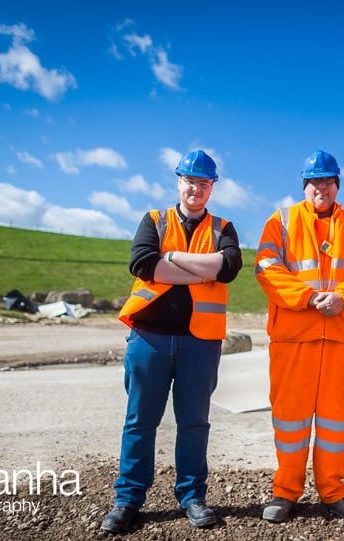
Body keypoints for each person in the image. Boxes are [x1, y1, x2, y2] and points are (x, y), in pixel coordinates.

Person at [101, 150, 243, 533]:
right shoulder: (153, 220)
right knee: (139, 422)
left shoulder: (224, 227)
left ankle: (192, 497)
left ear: (212, 187)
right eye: (190, 180)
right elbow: (145, 263)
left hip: (200, 342)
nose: (196, 188)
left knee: (194, 423)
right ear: (178, 181)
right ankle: (128, 499)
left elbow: (228, 267)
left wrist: (175, 258)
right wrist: (202, 271)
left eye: (203, 182)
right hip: (149, 338)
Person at [254, 149, 344, 523]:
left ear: (337, 185)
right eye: (313, 182)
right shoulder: (281, 221)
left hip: (342, 339)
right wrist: (309, 298)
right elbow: (266, 268)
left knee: (337, 421)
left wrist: (343, 297)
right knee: (290, 419)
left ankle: (334, 492)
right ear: (304, 186)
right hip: (295, 338)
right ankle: (285, 492)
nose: (319, 187)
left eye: (326, 181)